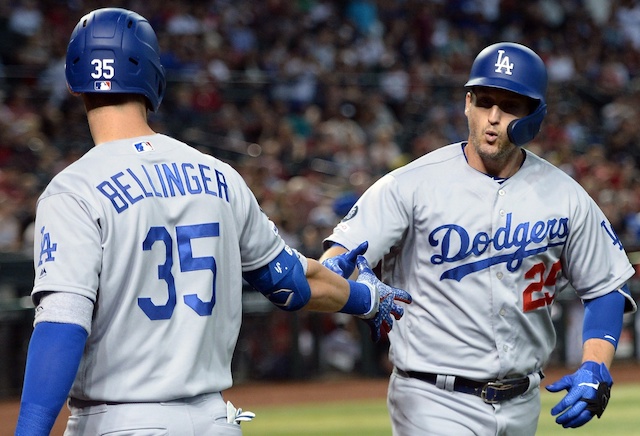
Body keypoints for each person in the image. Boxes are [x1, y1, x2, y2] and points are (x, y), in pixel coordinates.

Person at [14, 8, 411, 436]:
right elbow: (291, 284)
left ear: (74, 82)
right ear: (154, 78)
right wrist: (364, 298)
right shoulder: (219, 175)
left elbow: (62, 325)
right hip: (212, 421)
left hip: (118, 420)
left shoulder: (72, 190)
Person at [320, 41, 637, 435]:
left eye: (509, 106)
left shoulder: (565, 195)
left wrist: (596, 363)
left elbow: (605, 287)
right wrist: (356, 281)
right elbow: (335, 262)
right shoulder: (409, 185)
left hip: (523, 401)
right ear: (467, 102)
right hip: (431, 398)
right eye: (485, 101)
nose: (493, 117)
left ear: (535, 114)